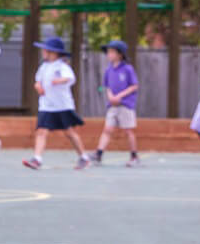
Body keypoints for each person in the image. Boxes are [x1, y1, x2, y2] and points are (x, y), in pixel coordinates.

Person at [22, 36, 90, 169]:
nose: (43, 52)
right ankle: (37, 159)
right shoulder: (43, 67)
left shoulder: (62, 66)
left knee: (69, 132)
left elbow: (69, 78)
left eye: (46, 50)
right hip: (46, 105)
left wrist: (59, 80)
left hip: (62, 105)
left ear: (54, 53)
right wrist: (38, 86)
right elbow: (38, 81)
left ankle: (83, 157)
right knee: (41, 131)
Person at [93, 39, 141, 166]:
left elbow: (134, 86)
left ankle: (134, 156)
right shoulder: (109, 70)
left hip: (125, 105)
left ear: (120, 54)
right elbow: (107, 86)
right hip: (112, 105)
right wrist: (110, 96)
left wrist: (119, 96)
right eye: (108, 52)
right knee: (107, 129)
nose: (109, 54)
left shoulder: (127, 69)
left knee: (128, 131)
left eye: (112, 52)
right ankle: (98, 154)